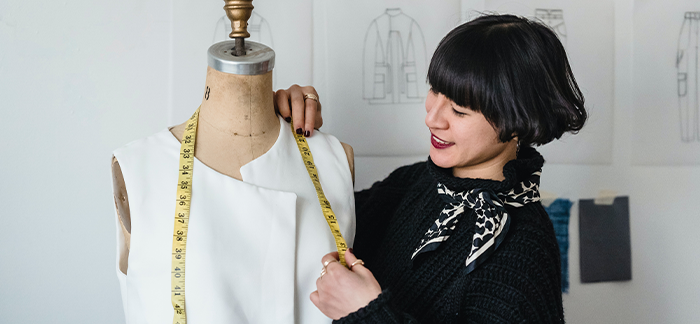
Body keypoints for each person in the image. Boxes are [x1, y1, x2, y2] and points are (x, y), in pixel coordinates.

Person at [274, 14, 586, 323]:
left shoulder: (524, 253)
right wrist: (286, 125)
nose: (432, 118)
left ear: (518, 121)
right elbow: (315, 222)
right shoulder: (417, 182)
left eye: (459, 111)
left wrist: (367, 314)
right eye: (436, 90)